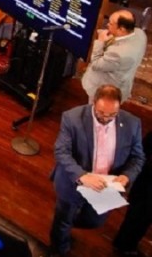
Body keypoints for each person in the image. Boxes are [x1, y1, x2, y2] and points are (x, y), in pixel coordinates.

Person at [49, 84, 145, 256]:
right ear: (94, 102)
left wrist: (126, 176)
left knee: (94, 221)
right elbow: (61, 151)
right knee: (63, 221)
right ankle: (59, 250)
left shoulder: (133, 124)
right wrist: (82, 176)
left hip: (106, 187)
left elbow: (138, 157)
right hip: (75, 182)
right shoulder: (72, 118)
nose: (106, 118)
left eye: (112, 115)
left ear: (120, 106)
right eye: (101, 113)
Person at [81, 9, 147, 104]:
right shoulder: (140, 33)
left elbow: (96, 64)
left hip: (105, 91)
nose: (107, 24)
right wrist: (112, 35)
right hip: (122, 83)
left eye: (111, 24)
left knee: (98, 112)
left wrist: (100, 41)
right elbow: (121, 40)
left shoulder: (118, 54)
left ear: (122, 29)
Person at [113, 131, 152, 256]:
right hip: (147, 184)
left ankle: (126, 245)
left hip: (145, 181)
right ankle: (126, 247)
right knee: (140, 216)